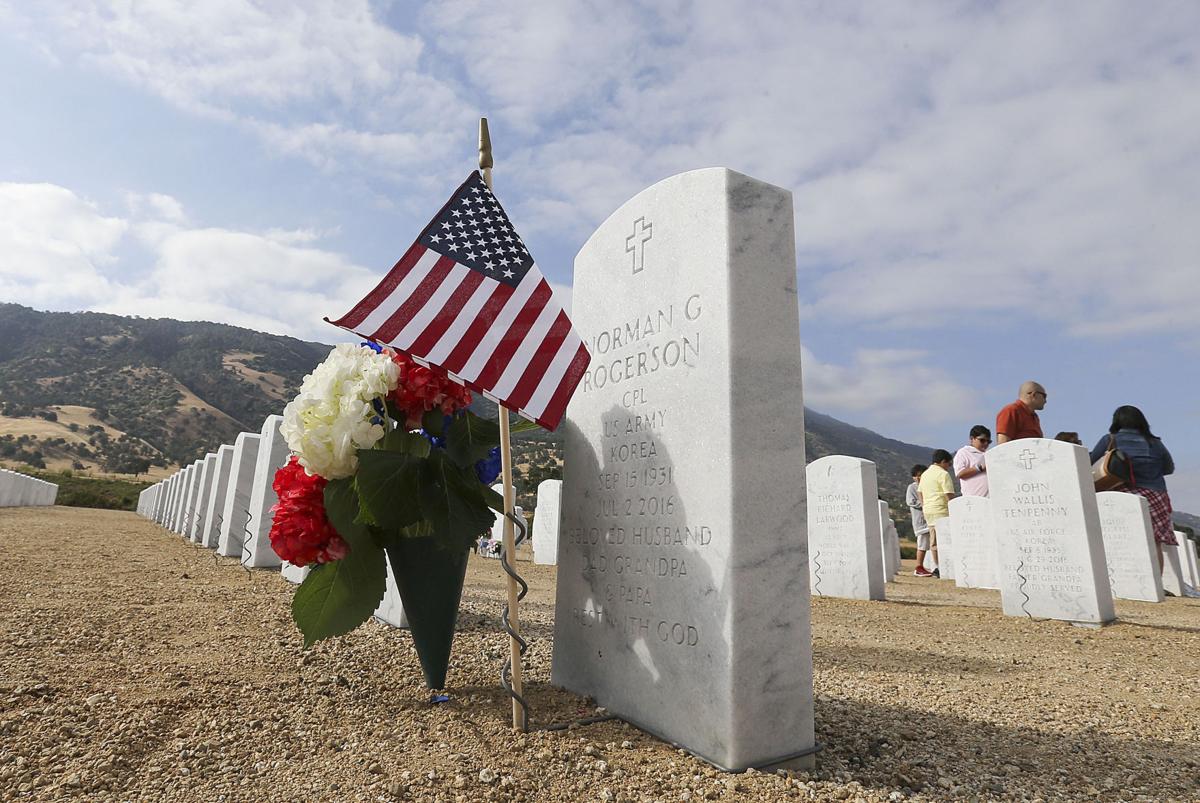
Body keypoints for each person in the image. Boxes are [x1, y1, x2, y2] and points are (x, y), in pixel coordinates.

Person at [1089, 405, 1177, 572]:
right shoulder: (1155, 443)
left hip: (1122, 493)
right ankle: (1156, 581)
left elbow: (1090, 462)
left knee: (1121, 539)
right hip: (1155, 495)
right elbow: (1169, 468)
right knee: (1154, 541)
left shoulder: (1109, 440)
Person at [916, 450, 956, 577]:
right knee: (947, 539)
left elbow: (919, 492)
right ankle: (948, 567)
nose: (949, 467)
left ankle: (939, 566)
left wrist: (924, 505)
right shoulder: (943, 474)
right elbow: (949, 493)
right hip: (941, 509)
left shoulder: (925, 474)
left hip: (929, 510)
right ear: (943, 462)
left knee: (934, 541)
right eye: (949, 464)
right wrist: (955, 509)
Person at [954, 425, 991, 497]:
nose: (986, 443)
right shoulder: (963, 452)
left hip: (989, 500)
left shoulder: (988, 454)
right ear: (972, 439)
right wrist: (980, 468)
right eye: (982, 440)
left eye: (988, 441)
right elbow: (960, 473)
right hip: (973, 500)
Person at [906, 464, 929, 569]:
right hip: (921, 521)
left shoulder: (928, 485)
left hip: (930, 519)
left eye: (920, 475)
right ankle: (919, 566)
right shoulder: (912, 487)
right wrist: (925, 504)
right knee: (922, 544)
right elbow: (911, 501)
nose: (918, 478)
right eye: (916, 476)